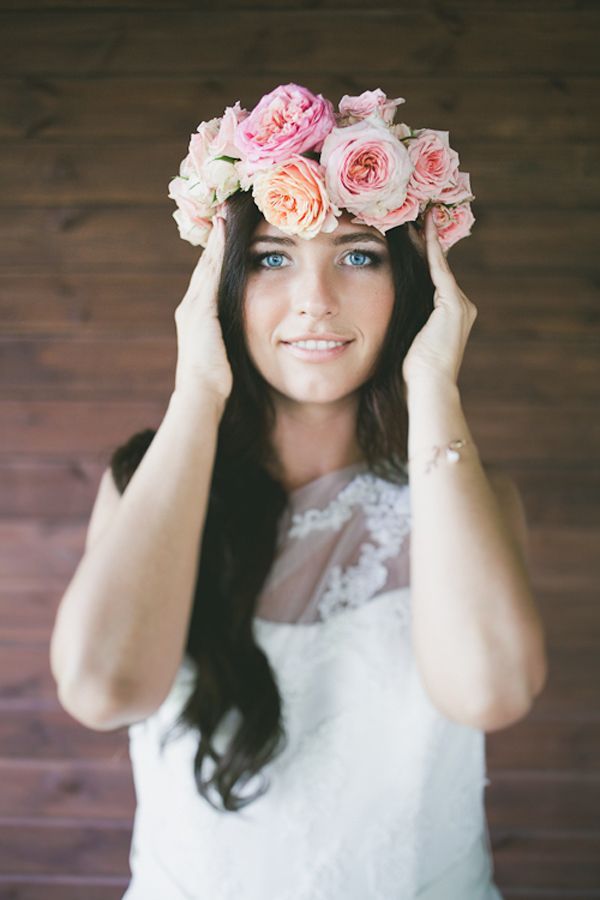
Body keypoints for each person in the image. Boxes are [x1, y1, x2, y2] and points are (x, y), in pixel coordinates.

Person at [50, 84, 548, 899]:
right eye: (273, 258)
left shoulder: (472, 498)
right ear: (224, 284)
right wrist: (196, 395)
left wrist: (434, 391)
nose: (315, 301)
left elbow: (492, 692)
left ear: (412, 284)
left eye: (359, 255)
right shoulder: (147, 481)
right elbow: (103, 690)